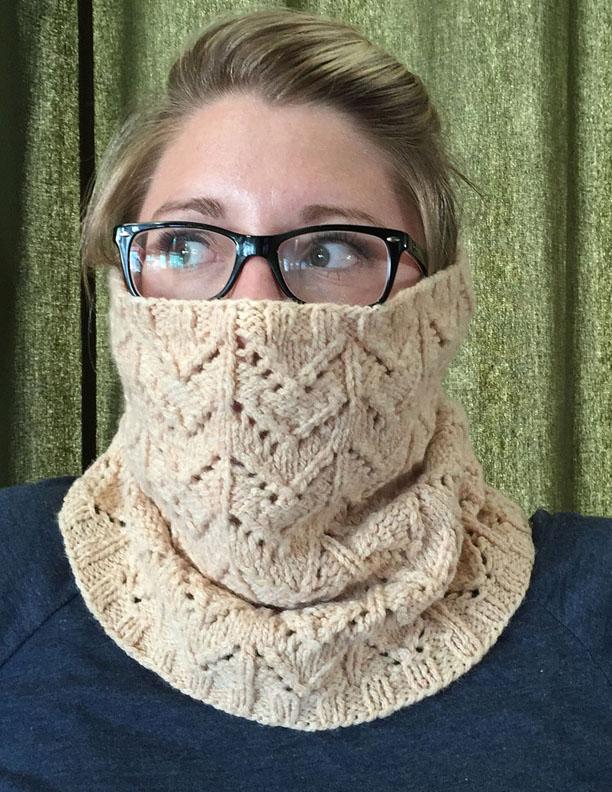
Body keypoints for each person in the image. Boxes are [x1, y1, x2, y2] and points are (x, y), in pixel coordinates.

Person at [1, 8, 610, 791]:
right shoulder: (13, 576)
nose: (254, 308)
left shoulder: (594, 613)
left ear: (439, 303)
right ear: (125, 278)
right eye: (186, 243)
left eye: (330, 249)